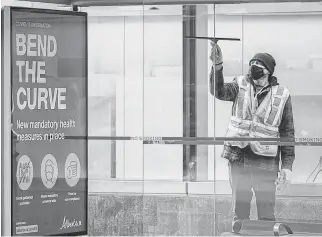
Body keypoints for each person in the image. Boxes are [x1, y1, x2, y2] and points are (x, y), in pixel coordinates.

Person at [209, 42, 295, 233]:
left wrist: (287, 166)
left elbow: (287, 132)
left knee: (266, 213)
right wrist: (217, 66)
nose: (253, 70)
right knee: (240, 213)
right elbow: (219, 91)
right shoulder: (240, 85)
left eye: (258, 67)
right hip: (238, 157)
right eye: (252, 66)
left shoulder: (282, 95)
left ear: (268, 72)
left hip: (266, 162)